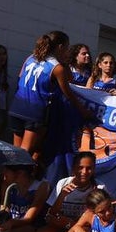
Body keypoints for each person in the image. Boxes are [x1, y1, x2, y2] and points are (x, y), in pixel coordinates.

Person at [9, 31, 92, 162]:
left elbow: (20, 78)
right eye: (67, 47)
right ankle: (16, 174)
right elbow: (68, 92)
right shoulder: (56, 67)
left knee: (16, 150)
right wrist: (83, 111)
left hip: (17, 106)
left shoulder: (31, 58)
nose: (67, 51)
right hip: (34, 110)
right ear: (60, 47)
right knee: (25, 152)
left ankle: (8, 173)